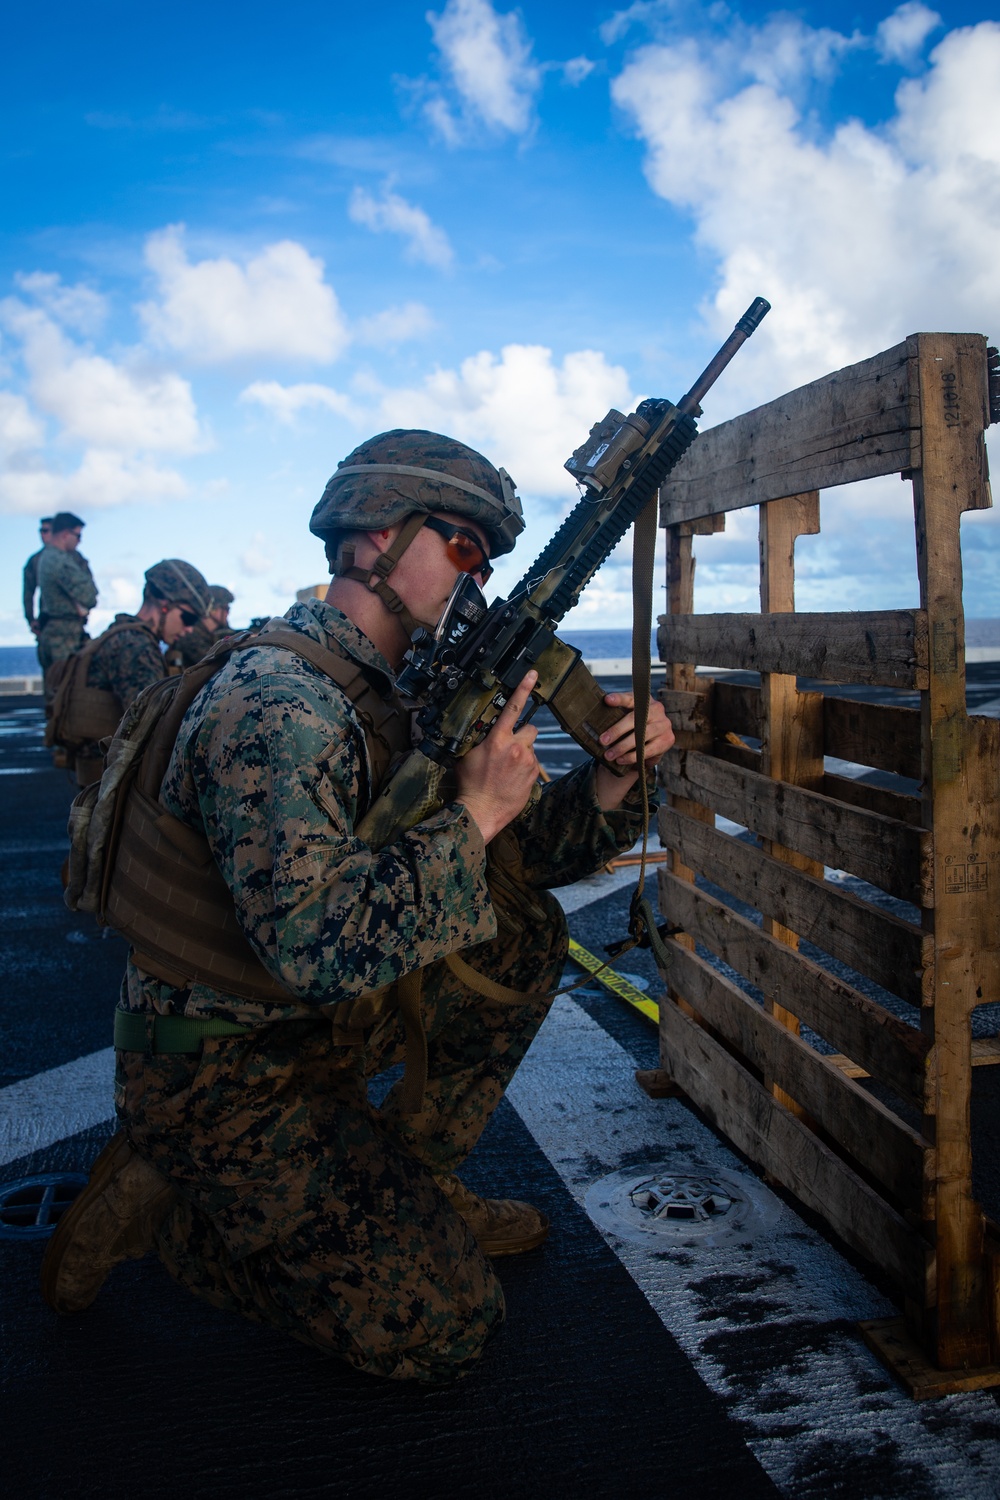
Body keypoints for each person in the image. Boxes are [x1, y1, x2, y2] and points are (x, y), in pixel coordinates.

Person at [42, 431, 675, 1384]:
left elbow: (524, 863)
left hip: (310, 1031)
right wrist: (476, 813)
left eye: (487, 559)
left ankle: (406, 1186)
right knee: (444, 1325)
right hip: (219, 1071)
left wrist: (612, 785)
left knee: (520, 937)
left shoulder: (392, 693)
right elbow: (313, 946)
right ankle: (176, 1217)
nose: (479, 574)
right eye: (462, 546)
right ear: (377, 535)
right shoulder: (279, 703)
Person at [66, 560, 210, 784]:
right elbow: (154, 728)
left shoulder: (121, 634)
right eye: (188, 618)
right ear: (165, 604)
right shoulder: (136, 648)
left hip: (101, 777)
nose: (189, 629)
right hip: (109, 782)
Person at [35, 512, 97, 703]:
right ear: (65, 534)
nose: (79, 541)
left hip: (53, 633)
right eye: (77, 536)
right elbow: (89, 596)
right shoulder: (60, 561)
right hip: (64, 637)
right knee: (66, 698)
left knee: (54, 697)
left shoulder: (45, 557)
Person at [167, 584, 236, 671]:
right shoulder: (189, 633)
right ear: (212, 609)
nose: (228, 612)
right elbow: (214, 661)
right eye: (226, 608)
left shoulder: (213, 634)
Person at [22, 517, 54, 636]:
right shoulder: (35, 561)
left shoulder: (73, 558)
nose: (42, 534)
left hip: (71, 621)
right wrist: (31, 619)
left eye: (46, 531)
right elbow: (28, 593)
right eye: (41, 531)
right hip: (46, 619)